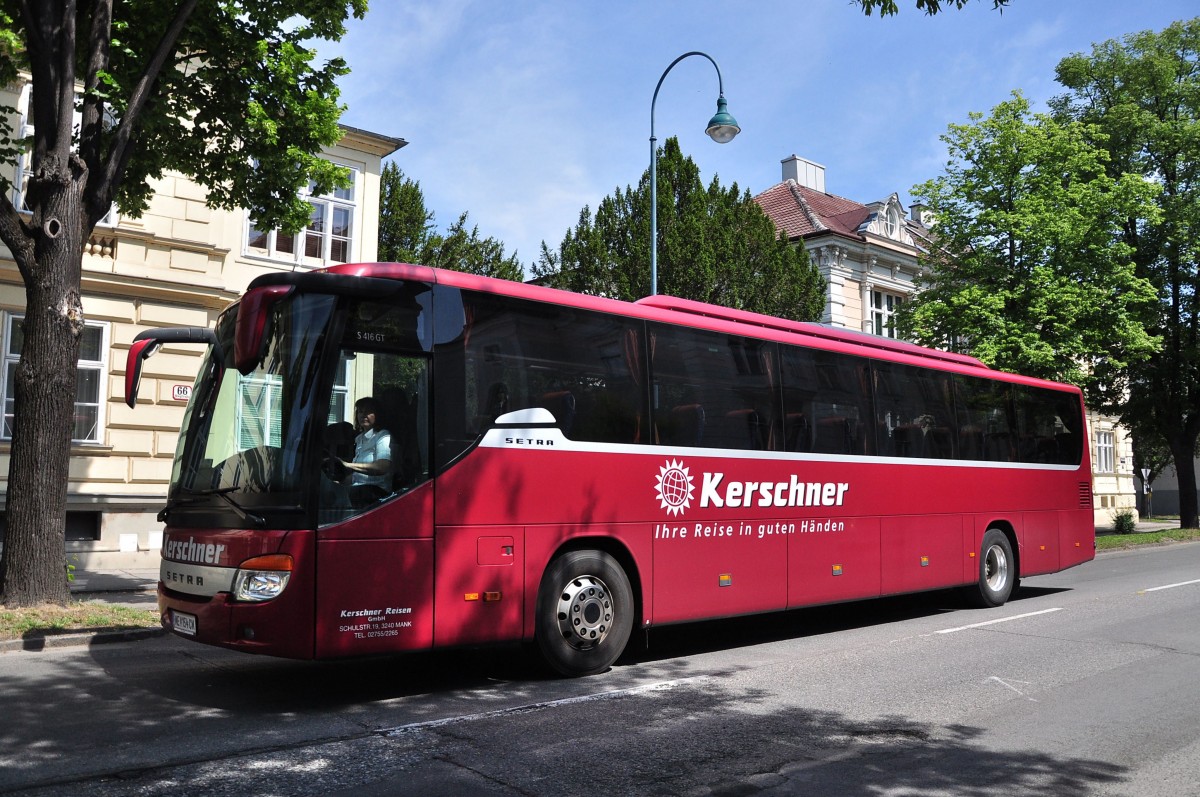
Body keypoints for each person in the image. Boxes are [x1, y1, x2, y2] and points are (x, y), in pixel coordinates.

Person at [340, 397, 393, 506]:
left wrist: (347, 465)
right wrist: (336, 483)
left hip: (375, 496)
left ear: (377, 414)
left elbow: (383, 466)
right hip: (357, 491)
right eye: (360, 411)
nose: (363, 415)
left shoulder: (383, 436)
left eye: (368, 411)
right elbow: (356, 477)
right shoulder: (359, 439)